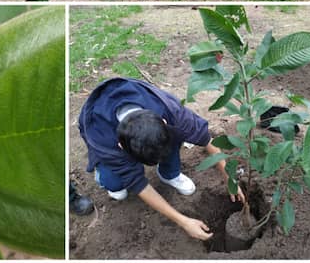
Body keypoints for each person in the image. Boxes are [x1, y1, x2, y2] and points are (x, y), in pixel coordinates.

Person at [78, 77, 244, 240]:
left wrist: (230, 180)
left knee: (174, 137)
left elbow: (207, 140)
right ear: (121, 146)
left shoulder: (172, 112)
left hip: (146, 109)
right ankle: (103, 175)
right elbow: (137, 182)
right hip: (101, 128)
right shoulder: (102, 139)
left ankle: (169, 174)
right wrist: (183, 222)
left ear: (164, 122)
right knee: (116, 187)